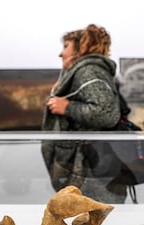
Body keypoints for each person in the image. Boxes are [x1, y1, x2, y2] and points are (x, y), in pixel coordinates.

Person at [41, 24, 136, 203]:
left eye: (66, 47)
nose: (61, 54)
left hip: (89, 172)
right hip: (90, 170)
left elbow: (106, 113)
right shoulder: (88, 71)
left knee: (90, 224)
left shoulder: (88, 71)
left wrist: (67, 107)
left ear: (81, 47)